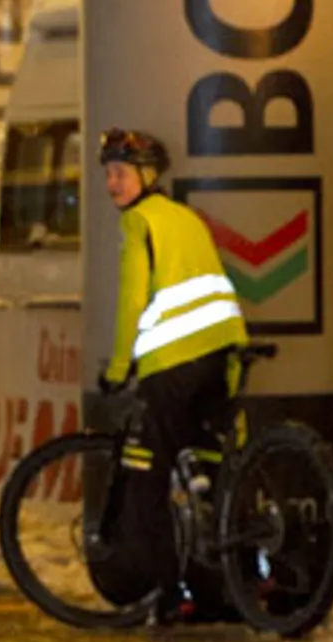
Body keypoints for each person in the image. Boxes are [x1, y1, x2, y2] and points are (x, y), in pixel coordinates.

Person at [97, 123, 247, 612]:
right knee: (213, 467)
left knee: (147, 477)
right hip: (221, 352)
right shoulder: (185, 217)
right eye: (108, 174)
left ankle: (170, 595)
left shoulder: (138, 223)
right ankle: (245, 578)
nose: (112, 183)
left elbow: (132, 300)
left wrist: (120, 367)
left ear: (147, 175)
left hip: (174, 362)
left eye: (120, 173)